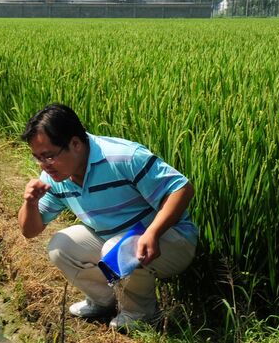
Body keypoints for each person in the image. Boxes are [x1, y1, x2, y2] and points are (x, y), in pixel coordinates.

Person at [17, 103, 197, 331]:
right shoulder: (54, 176)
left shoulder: (123, 157)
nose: (44, 166)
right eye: (38, 158)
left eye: (49, 156)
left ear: (75, 143)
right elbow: (29, 230)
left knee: (116, 247)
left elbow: (181, 189)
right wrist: (30, 203)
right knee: (60, 246)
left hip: (172, 240)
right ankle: (105, 301)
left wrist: (153, 232)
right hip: (116, 240)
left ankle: (141, 314)